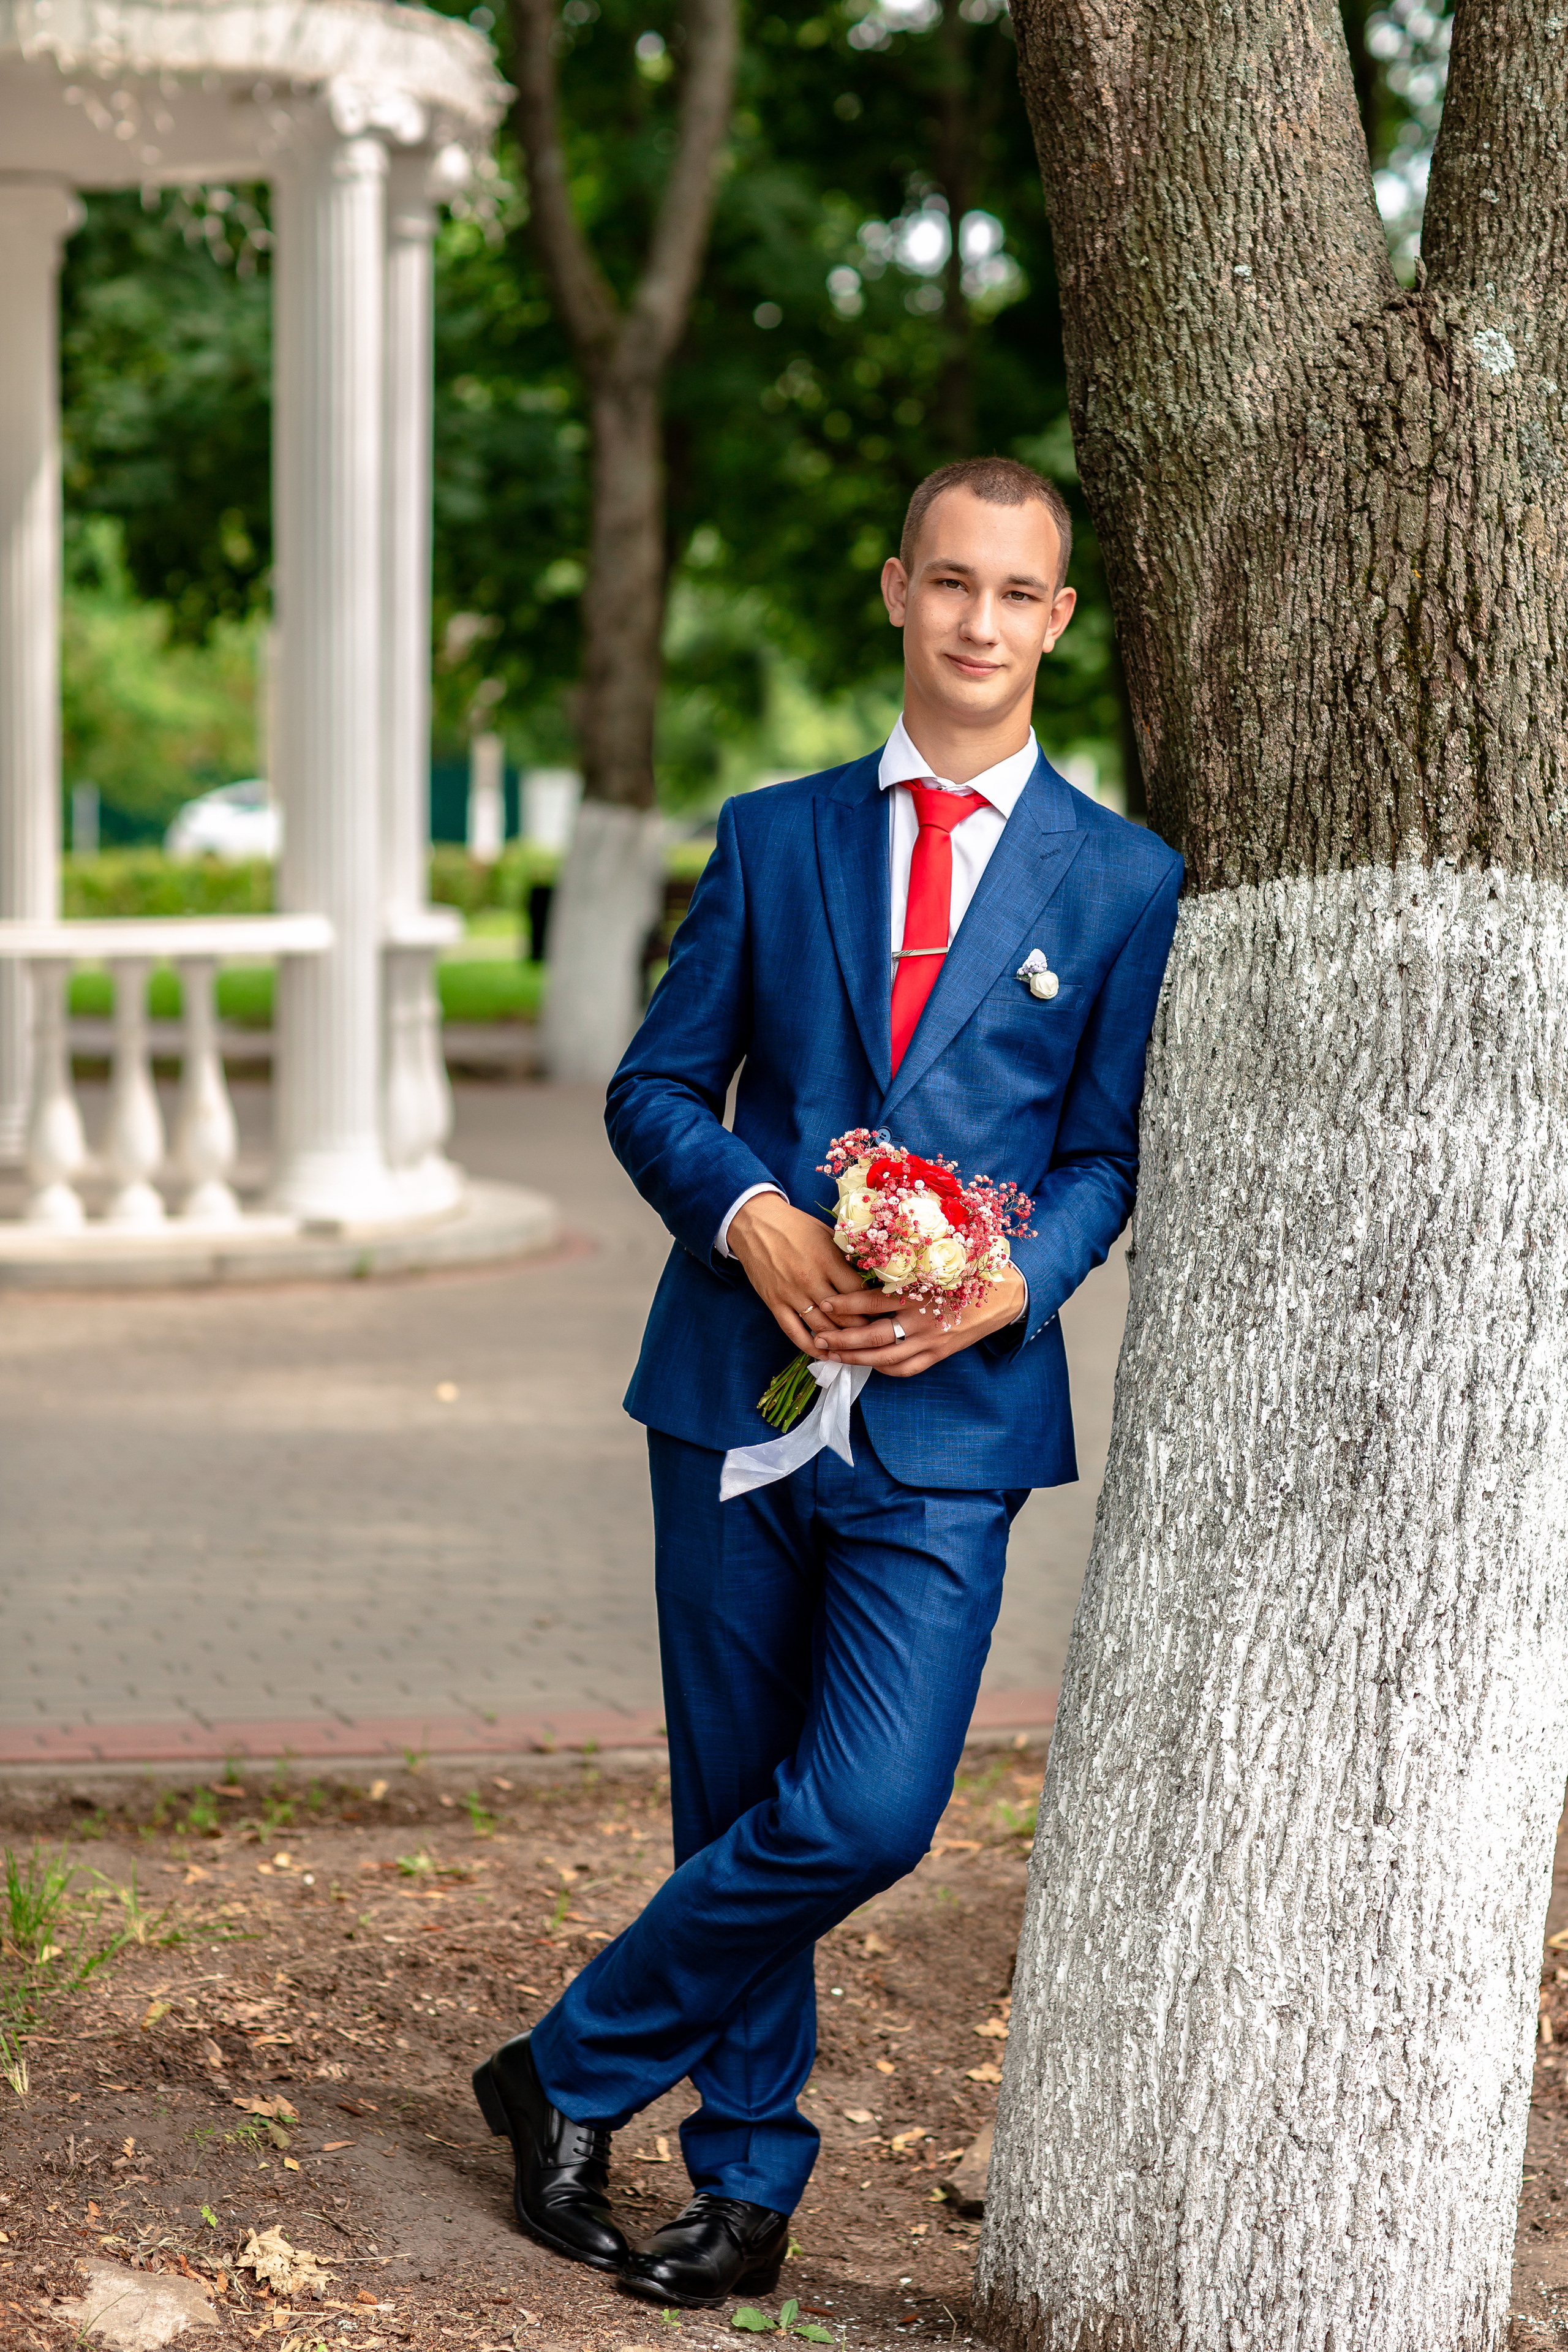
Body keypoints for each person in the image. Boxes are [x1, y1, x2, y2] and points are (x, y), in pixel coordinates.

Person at [472, 454, 1183, 2307]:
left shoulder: (1123, 880)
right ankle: (746, 2182)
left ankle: (565, 2067)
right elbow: (655, 1086)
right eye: (948, 580)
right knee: (734, 1799)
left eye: (1013, 592)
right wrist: (753, 1218)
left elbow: (1104, 1153)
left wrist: (1010, 1283)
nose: (975, 620)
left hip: (951, 1423)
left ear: (1057, 620)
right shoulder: (776, 835)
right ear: (896, 591)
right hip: (733, 1386)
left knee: (865, 1810)